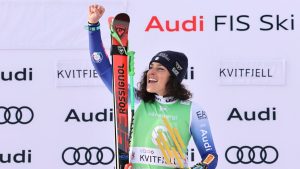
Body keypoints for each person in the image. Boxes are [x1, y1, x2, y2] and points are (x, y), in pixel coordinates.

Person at [87, 4, 218, 169]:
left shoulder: (193, 111)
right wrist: (93, 26)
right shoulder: (135, 100)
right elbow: (102, 67)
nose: (151, 72)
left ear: (174, 77)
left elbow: (211, 156)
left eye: (160, 69)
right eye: (151, 67)